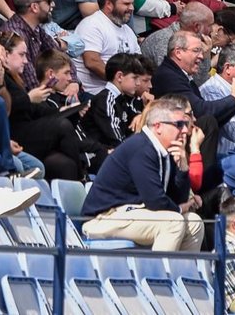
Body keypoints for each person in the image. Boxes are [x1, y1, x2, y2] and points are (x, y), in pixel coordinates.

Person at [79, 95, 205, 250]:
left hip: (133, 213)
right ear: (158, 126)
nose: (185, 130)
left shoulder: (165, 149)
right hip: (103, 218)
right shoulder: (141, 148)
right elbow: (156, 201)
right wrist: (180, 209)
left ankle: (184, 273)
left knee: (194, 222)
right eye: (179, 124)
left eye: (185, 124)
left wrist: (183, 168)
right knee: (173, 222)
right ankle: (159, 274)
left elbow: (176, 197)